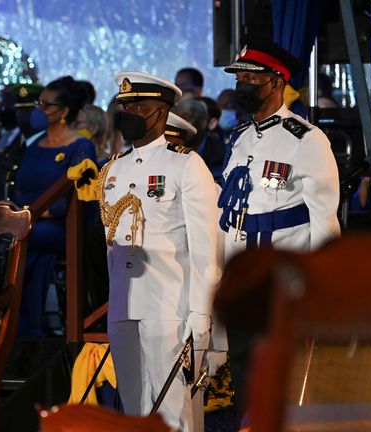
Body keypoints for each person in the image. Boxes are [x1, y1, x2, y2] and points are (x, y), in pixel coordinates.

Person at [218, 36, 340, 421]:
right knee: (243, 375)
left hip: (283, 279)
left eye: (251, 79)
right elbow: (230, 212)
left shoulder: (306, 139)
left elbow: (324, 219)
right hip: (242, 275)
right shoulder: (238, 138)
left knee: (284, 381)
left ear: (276, 81)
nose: (242, 86)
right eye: (239, 79)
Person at [99, 71, 219, 431]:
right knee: (134, 409)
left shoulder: (185, 164)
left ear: (161, 113)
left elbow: (204, 245)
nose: (129, 112)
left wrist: (201, 311)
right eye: (125, 106)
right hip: (124, 302)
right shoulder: (114, 169)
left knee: (174, 410)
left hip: (170, 305)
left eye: (139, 106)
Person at [11, 76, 96, 337]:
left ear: (64, 112)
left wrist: (40, 212)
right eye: (39, 103)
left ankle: (27, 324)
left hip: (61, 226)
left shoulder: (81, 146)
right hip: (27, 218)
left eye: (46, 105)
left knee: (18, 237)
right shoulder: (34, 144)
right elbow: (19, 184)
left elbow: (81, 195)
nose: (39, 110)